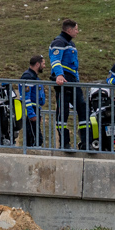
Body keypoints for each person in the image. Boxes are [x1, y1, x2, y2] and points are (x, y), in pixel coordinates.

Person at [49, 19, 88, 150]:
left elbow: (74, 67)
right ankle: (64, 143)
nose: (77, 31)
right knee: (63, 112)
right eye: (76, 29)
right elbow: (55, 60)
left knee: (82, 108)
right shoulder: (59, 42)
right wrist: (59, 75)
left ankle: (85, 142)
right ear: (69, 30)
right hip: (64, 80)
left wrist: (77, 80)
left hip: (73, 81)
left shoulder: (71, 44)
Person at [19, 55, 48, 147]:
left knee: (33, 137)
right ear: (37, 64)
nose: (44, 66)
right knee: (35, 139)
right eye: (43, 64)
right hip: (31, 110)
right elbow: (25, 97)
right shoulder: (29, 77)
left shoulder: (33, 77)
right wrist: (31, 114)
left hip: (35, 109)